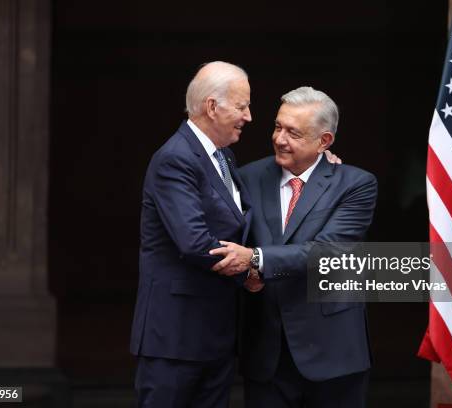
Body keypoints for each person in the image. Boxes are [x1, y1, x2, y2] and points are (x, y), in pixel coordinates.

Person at [210, 86, 378, 407]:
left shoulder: (355, 184)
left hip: (334, 351)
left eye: (294, 133)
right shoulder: (246, 177)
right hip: (266, 353)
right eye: (277, 126)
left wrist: (256, 259)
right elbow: (229, 240)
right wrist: (244, 275)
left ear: (324, 142)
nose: (279, 139)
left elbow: (329, 251)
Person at [129, 61, 253, 408]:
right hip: (174, 340)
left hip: (215, 337)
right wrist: (252, 269)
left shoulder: (224, 157)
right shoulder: (175, 158)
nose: (249, 116)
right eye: (242, 106)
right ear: (212, 107)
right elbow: (195, 242)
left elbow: (243, 214)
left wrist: (320, 166)